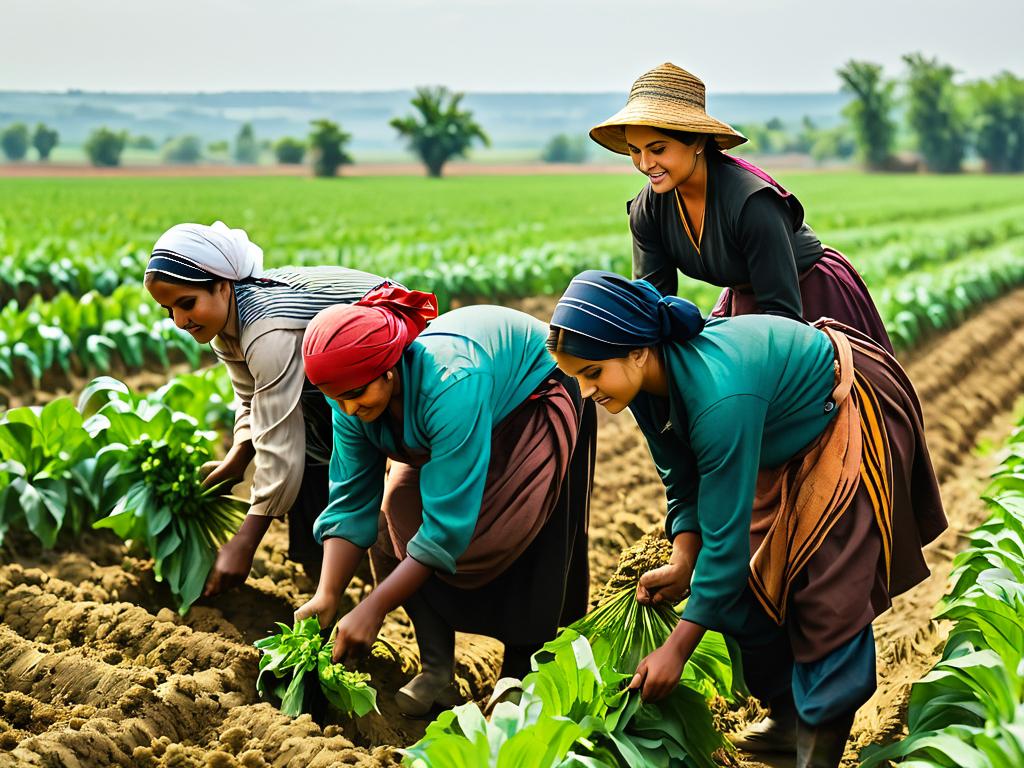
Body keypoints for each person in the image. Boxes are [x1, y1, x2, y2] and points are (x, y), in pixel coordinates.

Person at [547, 270, 946, 768]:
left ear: (637, 351)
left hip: (847, 415)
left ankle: (817, 754)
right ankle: (788, 719)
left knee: (828, 602)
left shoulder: (719, 399)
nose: (586, 392)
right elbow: (682, 480)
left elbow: (726, 544)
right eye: (577, 377)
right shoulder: (647, 390)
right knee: (747, 598)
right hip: (777, 440)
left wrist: (676, 649)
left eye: (592, 372)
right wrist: (681, 562)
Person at [293, 285, 595, 716]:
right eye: (336, 398)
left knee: (520, 521)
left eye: (356, 395)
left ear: (389, 371)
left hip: (530, 395)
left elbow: (446, 528)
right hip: (462, 412)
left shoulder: (451, 383)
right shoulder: (351, 402)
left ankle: (519, 670)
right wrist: (327, 596)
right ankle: (436, 670)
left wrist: (374, 608)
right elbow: (350, 502)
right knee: (395, 516)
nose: (348, 408)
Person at [144, 221, 388, 592]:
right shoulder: (226, 321)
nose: (179, 320)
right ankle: (327, 582)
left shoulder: (266, 330)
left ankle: (362, 583)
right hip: (328, 388)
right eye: (168, 310)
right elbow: (250, 397)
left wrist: (245, 542)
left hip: (383, 367)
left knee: (318, 467)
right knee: (308, 477)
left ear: (223, 286)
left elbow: (280, 445)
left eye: (187, 303)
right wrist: (238, 459)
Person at [589, 62, 894, 353]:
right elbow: (653, 306)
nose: (645, 164)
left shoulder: (753, 204)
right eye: (634, 151)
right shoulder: (648, 211)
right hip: (745, 301)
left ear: (696, 142)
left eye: (658, 149)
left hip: (810, 296)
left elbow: (784, 318)